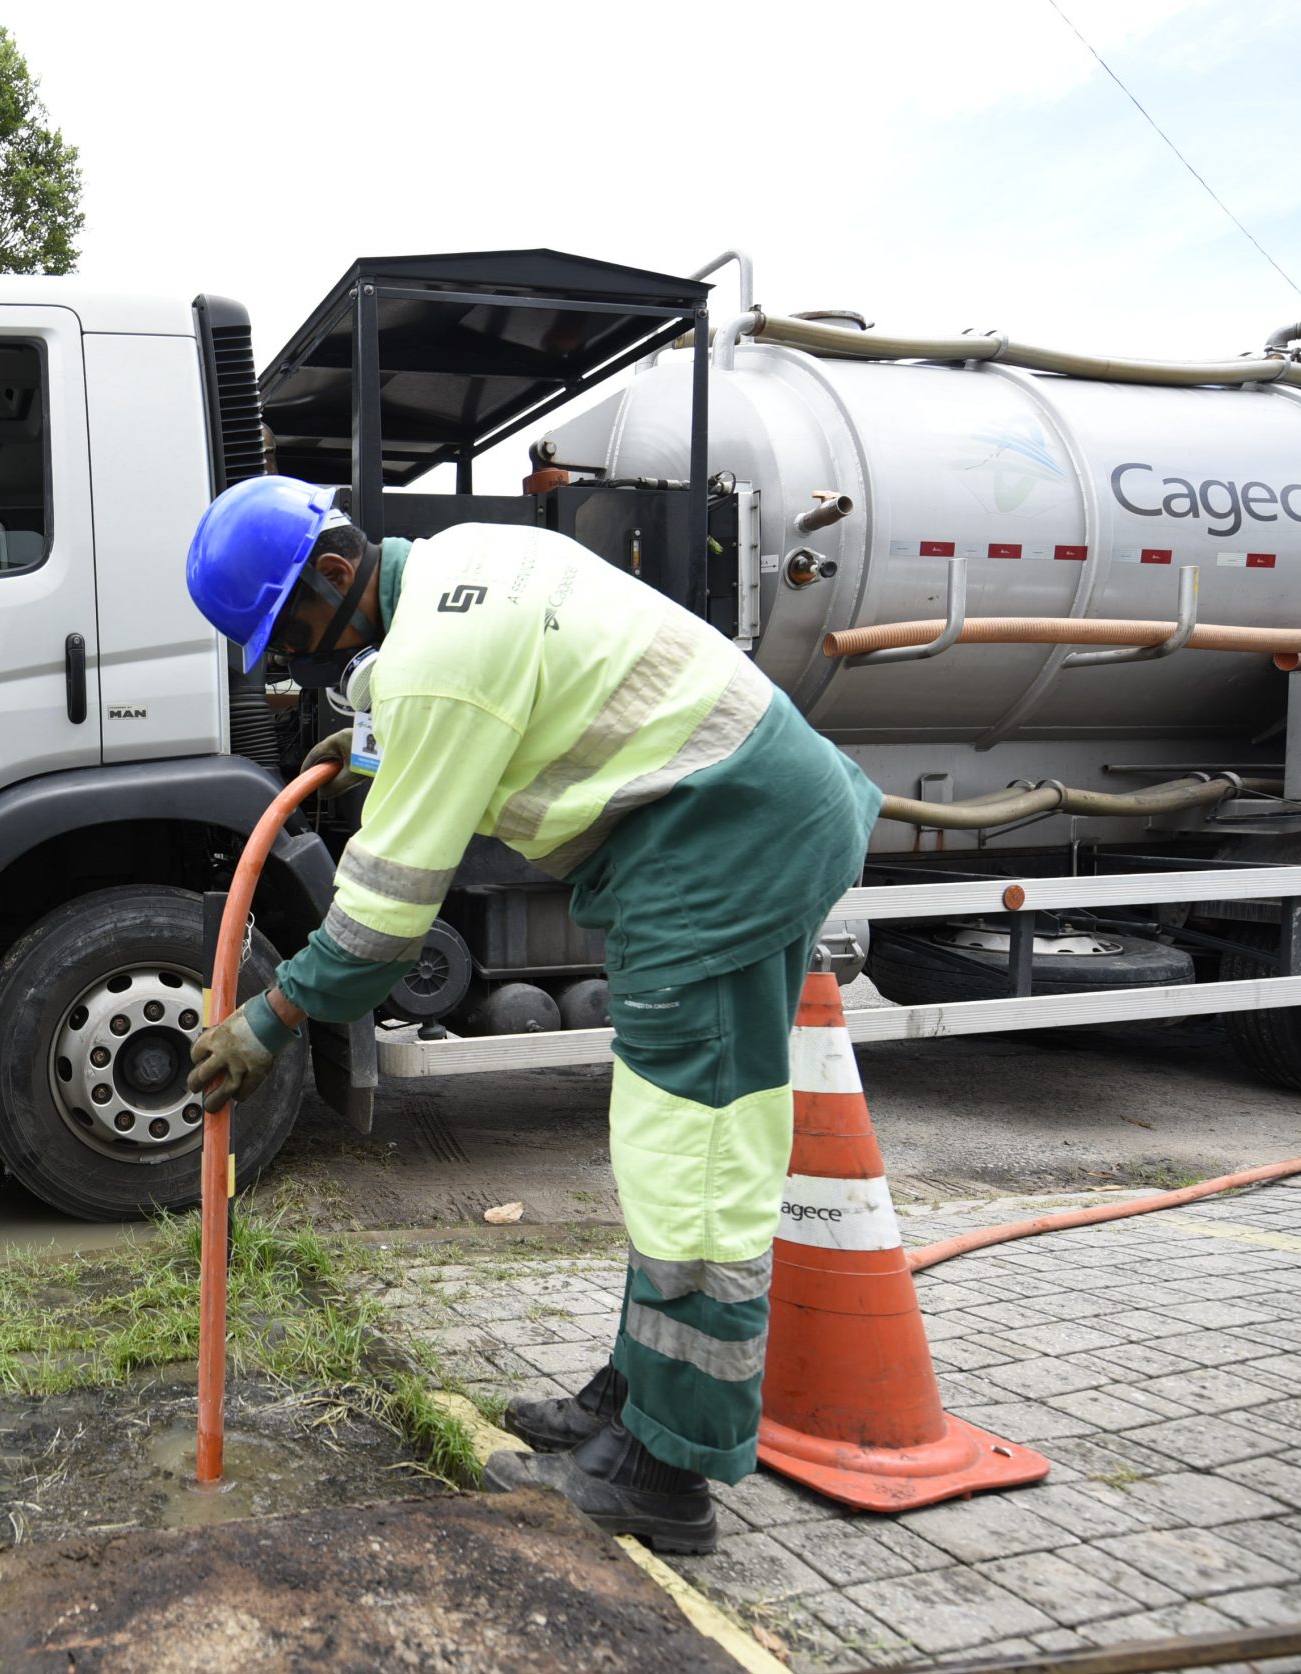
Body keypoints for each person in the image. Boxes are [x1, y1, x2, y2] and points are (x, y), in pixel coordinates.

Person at [181, 475, 880, 1553]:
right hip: (739, 818)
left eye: (293, 634)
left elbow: (380, 925)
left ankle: (665, 1470)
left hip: (722, 843)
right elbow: (511, 693)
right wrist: (364, 739)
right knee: (667, 1147)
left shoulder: (431, 665)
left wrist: (267, 1022)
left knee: (689, 1153)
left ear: (334, 572)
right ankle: (632, 1400)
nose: (297, 662)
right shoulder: (460, 557)